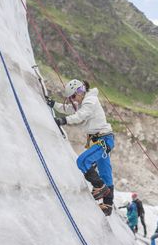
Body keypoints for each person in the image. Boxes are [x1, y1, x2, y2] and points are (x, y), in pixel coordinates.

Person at [47, 79, 114, 216]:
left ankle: (100, 187)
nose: (72, 100)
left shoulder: (90, 101)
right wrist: (54, 104)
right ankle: (107, 204)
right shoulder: (84, 102)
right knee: (105, 171)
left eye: (72, 96)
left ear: (79, 92)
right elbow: (70, 109)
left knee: (82, 161)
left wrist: (63, 121)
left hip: (103, 139)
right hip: (102, 140)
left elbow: (80, 115)